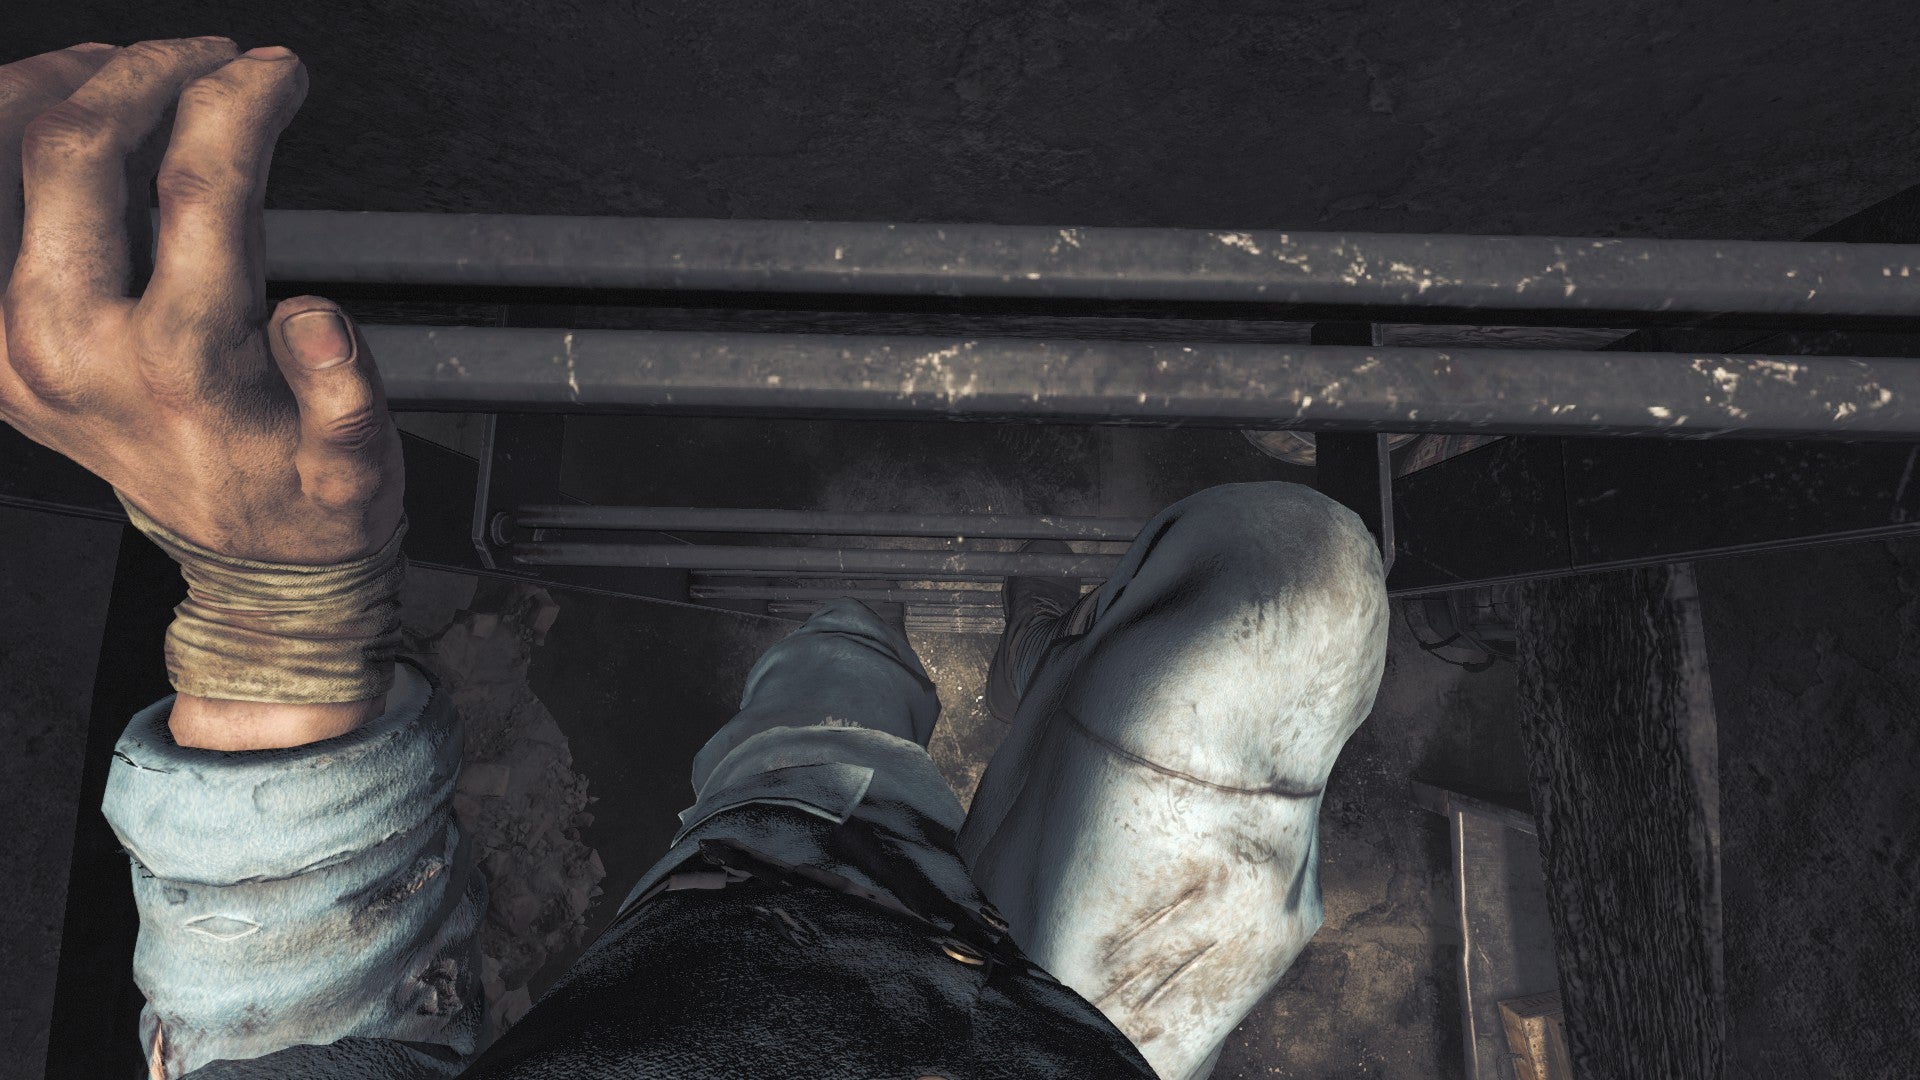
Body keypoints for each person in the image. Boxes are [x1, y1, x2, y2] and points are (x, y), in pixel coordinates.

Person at [0, 38, 1389, 1080]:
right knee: (1300, 586)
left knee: (820, 724)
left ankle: (855, 661)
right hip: (1050, 1013)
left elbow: (289, 1043)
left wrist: (273, 621)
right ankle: (976, 666)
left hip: (725, 948)